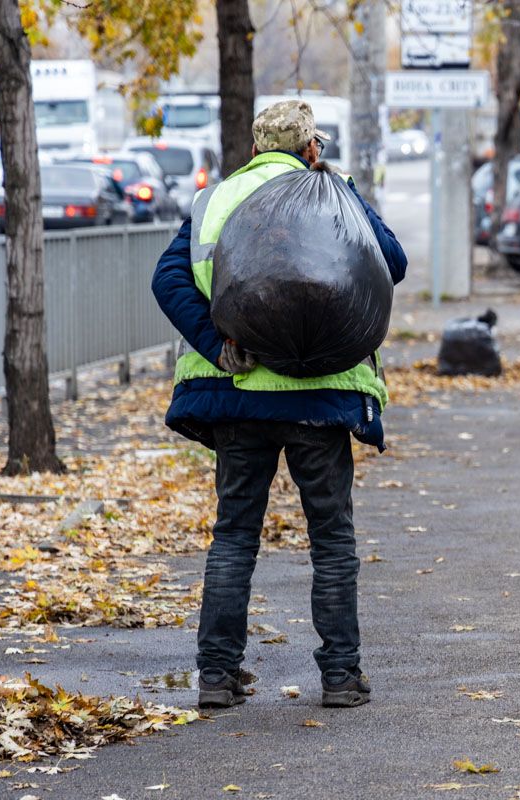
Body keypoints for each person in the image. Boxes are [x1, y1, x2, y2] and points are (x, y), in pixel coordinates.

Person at [151, 100, 407, 709]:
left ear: (258, 147)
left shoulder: (217, 199)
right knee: (332, 537)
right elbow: (391, 262)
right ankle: (341, 677)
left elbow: (168, 279)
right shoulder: (332, 191)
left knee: (235, 535)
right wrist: (342, 197)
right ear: (310, 148)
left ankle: (216, 676)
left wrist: (219, 347)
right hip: (323, 398)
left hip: (239, 398)